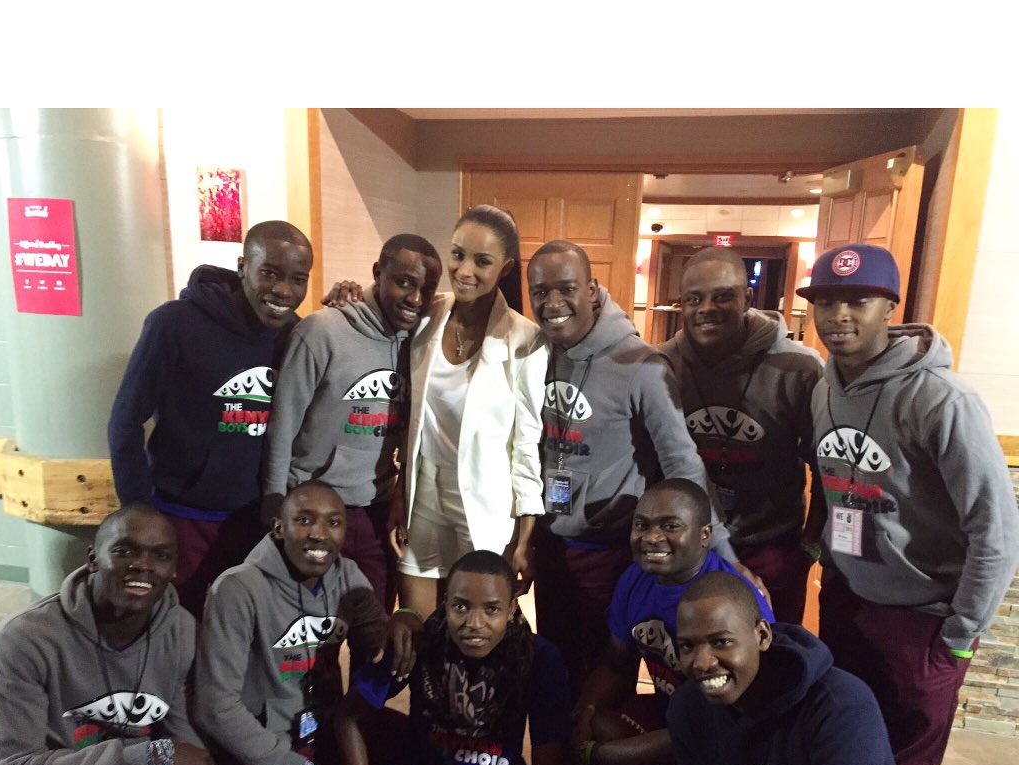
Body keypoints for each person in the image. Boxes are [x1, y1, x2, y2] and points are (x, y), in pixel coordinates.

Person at [802, 243, 1019, 765]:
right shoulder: (825, 388)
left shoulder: (944, 400)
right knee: (845, 750)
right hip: (848, 603)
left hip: (924, 620)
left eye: (858, 300)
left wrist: (960, 636)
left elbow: (995, 532)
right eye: (825, 301)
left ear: (891, 307)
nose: (839, 316)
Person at [526, 239, 749, 696]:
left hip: (609, 552)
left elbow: (681, 461)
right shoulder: (533, 351)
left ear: (592, 289)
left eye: (565, 288)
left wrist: (722, 554)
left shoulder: (642, 366)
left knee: (602, 678)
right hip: (551, 544)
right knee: (553, 670)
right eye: (540, 292)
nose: (552, 303)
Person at [0, 505, 269, 765]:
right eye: (125, 551)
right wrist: (150, 757)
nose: (143, 564)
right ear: (93, 560)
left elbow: (185, 745)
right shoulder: (25, 639)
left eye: (160, 555)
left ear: (174, 570)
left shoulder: (180, 632)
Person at [327, 206, 549, 621]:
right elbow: (381, 306)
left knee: (472, 630)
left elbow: (527, 447)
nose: (464, 270)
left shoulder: (525, 340)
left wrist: (525, 538)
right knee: (415, 624)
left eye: (482, 261)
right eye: (458, 254)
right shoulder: (430, 312)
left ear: (504, 270)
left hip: (486, 506)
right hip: (423, 496)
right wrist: (349, 292)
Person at [194, 480, 416, 765]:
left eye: (333, 522)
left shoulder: (348, 577)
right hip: (261, 749)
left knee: (414, 747)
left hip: (322, 731)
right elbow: (215, 708)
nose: (319, 533)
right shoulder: (238, 589)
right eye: (304, 520)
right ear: (278, 527)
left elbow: (379, 639)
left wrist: (403, 623)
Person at [660, 571, 947, 765]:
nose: (703, 662)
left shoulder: (842, 708)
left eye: (721, 642)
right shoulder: (690, 708)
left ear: (762, 635)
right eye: (688, 647)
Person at [561, 479, 773, 765]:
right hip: (670, 713)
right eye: (641, 525)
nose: (651, 537)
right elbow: (615, 662)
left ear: (705, 535)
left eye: (670, 525)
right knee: (595, 725)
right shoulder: (635, 580)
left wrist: (608, 755)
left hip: (728, 745)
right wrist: (585, 714)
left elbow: (722, 724)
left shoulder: (731, 598)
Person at [108, 220, 313, 618]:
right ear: (242, 267)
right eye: (269, 273)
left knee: (240, 639)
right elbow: (125, 423)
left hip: (257, 524)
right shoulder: (175, 324)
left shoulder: (295, 335)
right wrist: (138, 513)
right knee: (178, 632)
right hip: (182, 518)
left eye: (297, 279)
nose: (283, 291)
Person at [334, 550, 569, 765]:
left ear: (512, 607)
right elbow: (347, 718)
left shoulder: (539, 659)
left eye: (492, 609)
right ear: (444, 602)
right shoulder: (418, 643)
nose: (475, 624)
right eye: (461, 606)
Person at [263, 234, 442, 611]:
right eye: (405, 282)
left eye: (426, 289)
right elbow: (283, 427)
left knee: (373, 631)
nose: (414, 299)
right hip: (315, 511)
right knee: (313, 635)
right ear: (378, 273)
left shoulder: (421, 343)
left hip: (376, 511)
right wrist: (275, 503)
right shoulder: (322, 332)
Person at [661, 247, 824, 623]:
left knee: (775, 660)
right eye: (694, 299)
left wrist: (807, 550)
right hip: (690, 545)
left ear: (747, 298)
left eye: (722, 296)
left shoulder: (798, 369)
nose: (706, 308)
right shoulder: (662, 364)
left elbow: (826, 467)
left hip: (772, 545)